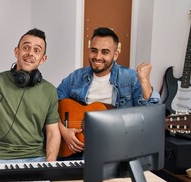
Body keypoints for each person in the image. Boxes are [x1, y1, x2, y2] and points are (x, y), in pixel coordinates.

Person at [57, 27, 161, 157]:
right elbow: (50, 106)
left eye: (105, 52)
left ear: (115, 54)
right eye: (94, 51)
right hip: (77, 152)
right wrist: (63, 130)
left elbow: (152, 116)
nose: (98, 57)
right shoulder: (76, 77)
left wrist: (145, 82)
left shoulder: (131, 78)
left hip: (116, 152)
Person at [0, 28, 61, 164]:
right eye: (26, 47)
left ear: (43, 59)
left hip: (36, 157)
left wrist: (50, 163)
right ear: (16, 52)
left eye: (37, 50)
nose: (30, 53)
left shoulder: (50, 91)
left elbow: (53, 132)